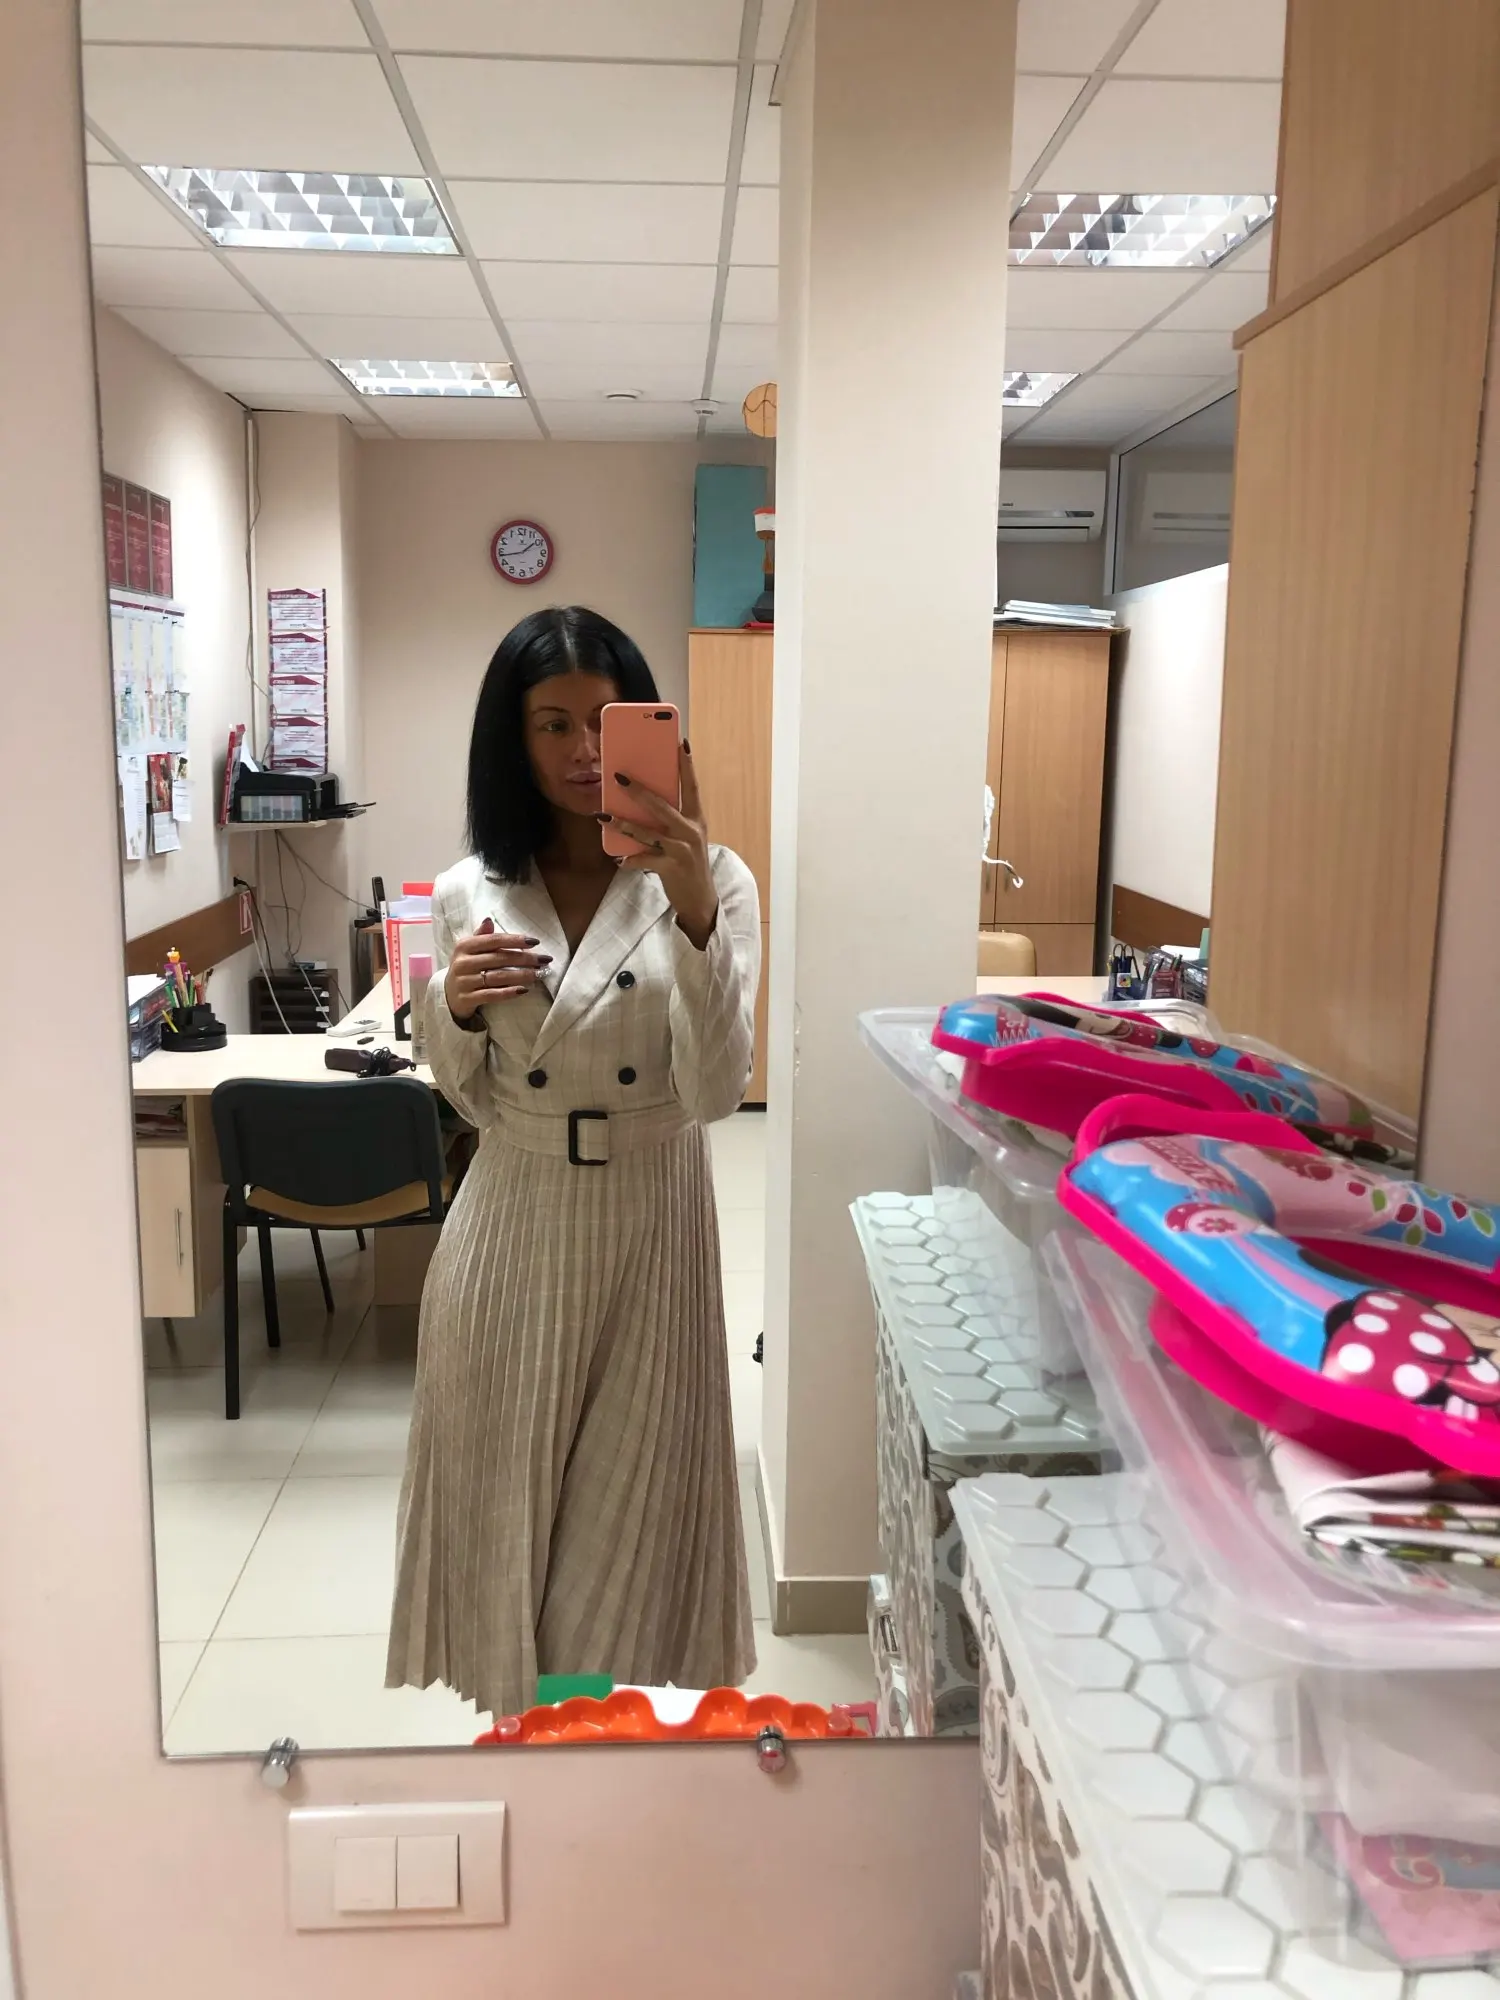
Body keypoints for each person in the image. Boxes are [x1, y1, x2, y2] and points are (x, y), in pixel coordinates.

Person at [385, 606, 759, 1718]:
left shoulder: (714, 878)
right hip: (515, 1215)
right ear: (513, 737)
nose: (585, 750)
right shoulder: (468, 890)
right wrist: (450, 1008)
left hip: (654, 1217)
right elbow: (467, 1097)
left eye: (607, 720)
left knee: (622, 1523)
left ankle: (590, 1737)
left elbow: (716, 1092)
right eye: (552, 723)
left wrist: (694, 918)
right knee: (511, 1506)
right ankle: (537, 1743)